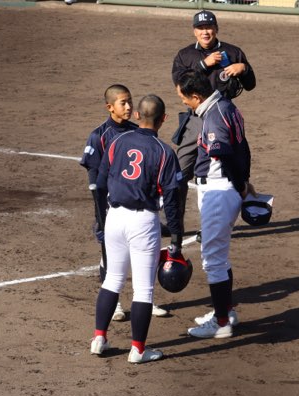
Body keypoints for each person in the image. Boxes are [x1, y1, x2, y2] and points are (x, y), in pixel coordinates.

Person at [89, 94, 184, 363]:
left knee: (112, 280)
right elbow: (172, 201)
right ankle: (138, 350)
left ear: (138, 115)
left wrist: (103, 220)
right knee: (143, 290)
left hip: (114, 217)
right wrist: (176, 237)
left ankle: (99, 338)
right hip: (143, 222)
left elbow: (101, 183)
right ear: (164, 119)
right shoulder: (165, 152)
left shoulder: (117, 141)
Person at [175, 70, 256, 339]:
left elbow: (225, 153)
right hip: (221, 187)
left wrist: (240, 183)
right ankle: (226, 312)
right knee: (219, 256)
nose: (183, 102)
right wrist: (244, 180)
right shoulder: (225, 106)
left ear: (197, 96)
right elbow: (244, 148)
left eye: (184, 98)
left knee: (213, 260)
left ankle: (221, 323)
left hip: (219, 190)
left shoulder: (214, 116)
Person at [80, 85, 168, 322]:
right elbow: (95, 185)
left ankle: (145, 300)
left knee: (144, 256)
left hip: (138, 206)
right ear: (110, 107)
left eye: (130, 101)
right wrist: (101, 218)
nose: (128, 107)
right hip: (112, 208)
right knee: (109, 257)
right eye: (123, 103)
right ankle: (116, 304)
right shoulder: (99, 136)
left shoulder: (135, 132)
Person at [170, 10, 255, 241]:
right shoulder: (185, 55)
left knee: (227, 169)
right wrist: (203, 65)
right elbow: (179, 84)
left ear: (216, 28)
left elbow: (250, 85)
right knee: (180, 172)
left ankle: (219, 222)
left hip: (223, 117)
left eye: (209, 27)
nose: (205, 32)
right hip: (196, 119)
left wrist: (244, 69)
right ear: (194, 31)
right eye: (200, 28)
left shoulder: (233, 52)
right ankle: (174, 223)